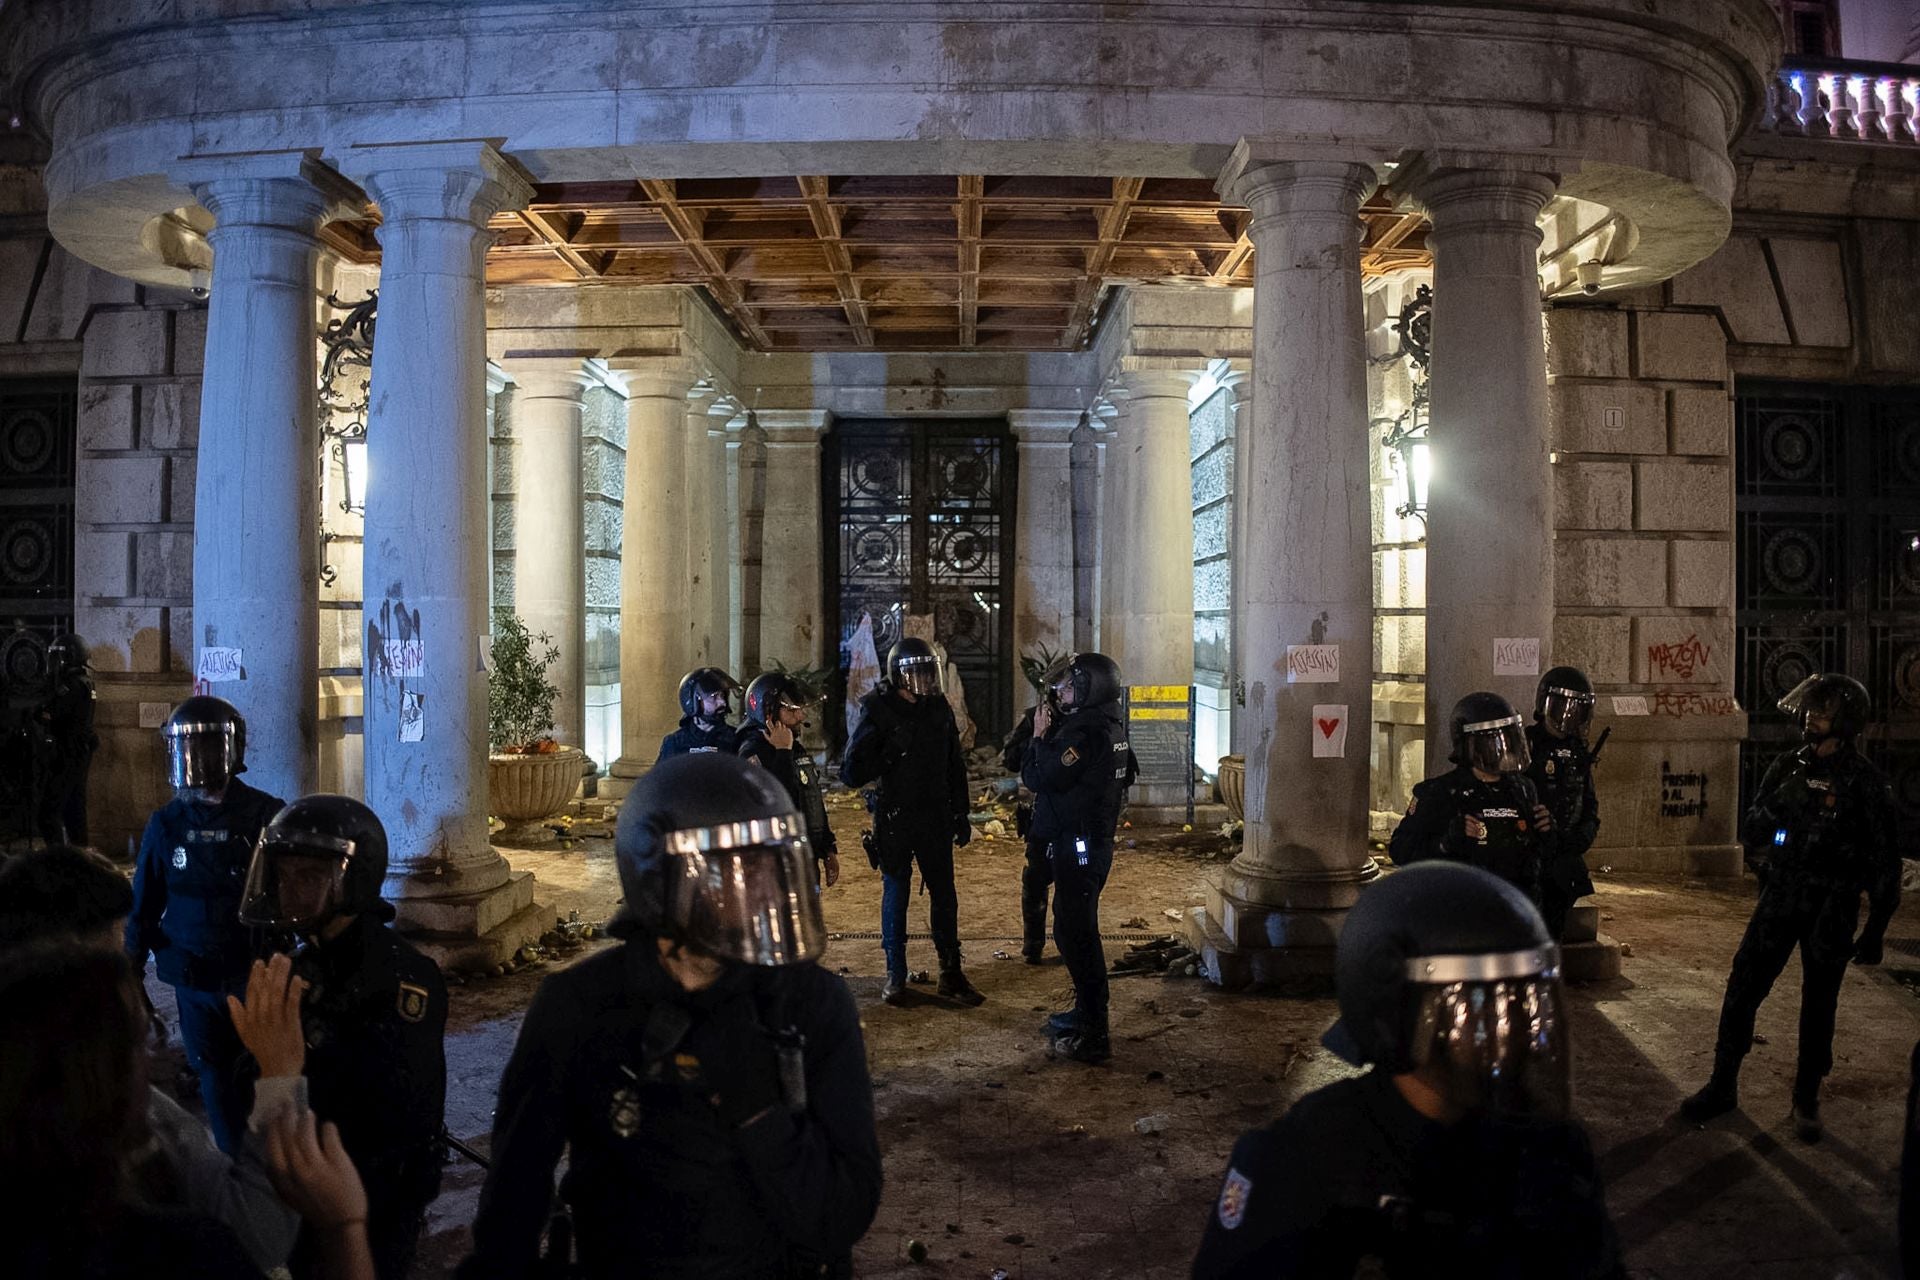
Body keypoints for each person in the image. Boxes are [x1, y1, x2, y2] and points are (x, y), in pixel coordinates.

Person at [458, 752, 884, 1280]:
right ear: (661, 882)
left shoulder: (810, 1004)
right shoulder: (581, 1007)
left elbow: (844, 1213)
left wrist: (759, 1113)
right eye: (737, 871)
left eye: (770, 867)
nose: (763, 892)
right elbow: (512, 1203)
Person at [1191, 861, 1623, 1279]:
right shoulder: (1304, 1162)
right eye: (1483, 1003)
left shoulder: (1552, 1149)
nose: (1517, 1027)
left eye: (1527, 999)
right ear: (1397, 1008)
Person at [0, 844, 305, 1273]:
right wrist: (279, 1075)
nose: (124, 954)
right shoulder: (134, 1126)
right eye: (116, 941)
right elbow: (256, 1233)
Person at [1679, 673, 1900, 1141]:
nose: (1808, 718)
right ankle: (1723, 1084)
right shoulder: (1786, 768)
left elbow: (1884, 862)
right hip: (1781, 895)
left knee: (1819, 1001)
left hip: (1832, 906)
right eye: (1809, 710)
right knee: (1744, 982)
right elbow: (1754, 830)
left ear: (1845, 721)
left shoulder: (1866, 785)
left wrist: (1877, 927)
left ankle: (1806, 1096)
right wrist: (1783, 803)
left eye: (1820, 712)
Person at [238, 794, 448, 1280]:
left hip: (371, 1194)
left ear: (353, 880)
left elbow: (396, 1113)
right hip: (301, 1178)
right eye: (284, 877)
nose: (289, 892)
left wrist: (297, 1058)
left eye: (308, 878)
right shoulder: (296, 962)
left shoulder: (401, 978)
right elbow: (248, 1080)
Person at [126, 695, 287, 1153]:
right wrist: (131, 966)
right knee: (212, 1071)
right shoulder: (167, 823)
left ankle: (271, 1168)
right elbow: (144, 903)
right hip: (194, 976)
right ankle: (234, 1163)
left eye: (206, 749)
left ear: (229, 752)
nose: (195, 763)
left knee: (261, 1069)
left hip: (249, 970)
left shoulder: (263, 814)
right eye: (186, 750)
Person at [841, 636, 980, 1007]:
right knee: (896, 895)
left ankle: (951, 973)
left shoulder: (938, 708)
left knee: (945, 897)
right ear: (899, 675)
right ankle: (895, 974)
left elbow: (954, 764)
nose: (923, 679)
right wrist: (888, 752)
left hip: (934, 817)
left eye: (927, 671)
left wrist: (961, 814)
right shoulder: (878, 709)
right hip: (896, 818)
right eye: (915, 671)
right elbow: (851, 772)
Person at [1023, 652, 1136, 1064]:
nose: (1060, 691)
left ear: (1091, 689)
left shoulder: (1086, 734)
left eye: (1070, 686)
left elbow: (1038, 777)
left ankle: (1095, 1031)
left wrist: (1038, 738)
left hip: (1081, 846)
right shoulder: (1105, 725)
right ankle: (1085, 1014)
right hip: (1085, 843)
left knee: (1078, 936)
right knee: (1073, 932)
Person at [1388, 691, 1555, 908]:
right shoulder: (1441, 792)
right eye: (1494, 743)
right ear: (1471, 745)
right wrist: (1447, 842)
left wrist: (1548, 832)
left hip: (1516, 909)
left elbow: (1536, 855)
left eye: (1510, 739)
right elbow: (1401, 851)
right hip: (1463, 912)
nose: (1505, 752)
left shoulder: (1523, 789)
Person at [739, 670, 841, 889]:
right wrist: (782, 753)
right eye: (792, 711)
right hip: (774, 866)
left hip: (804, 856)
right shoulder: (752, 751)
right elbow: (777, 799)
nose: (800, 717)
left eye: (801, 710)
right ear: (769, 712)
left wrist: (827, 848)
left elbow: (810, 798)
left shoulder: (795, 747)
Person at [1002, 653, 1071, 964]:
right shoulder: (1036, 717)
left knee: (1073, 885)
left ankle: (1070, 943)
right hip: (1043, 814)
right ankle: (1033, 943)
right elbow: (1011, 760)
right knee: (1035, 879)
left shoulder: (1085, 721)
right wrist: (1036, 736)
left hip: (1073, 814)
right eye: (1058, 688)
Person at [1524, 666, 1601, 940]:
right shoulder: (1527, 745)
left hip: (1564, 859)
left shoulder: (1579, 752)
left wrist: (1580, 838)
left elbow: (1589, 804)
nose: (1568, 717)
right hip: (1531, 858)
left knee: (1552, 933)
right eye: (1562, 708)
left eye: (1576, 710)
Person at [32, 632, 97, 847]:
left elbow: (49, 713)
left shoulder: (72, 686)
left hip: (68, 753)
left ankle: (58, 859)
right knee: (74, 811)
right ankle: (80, 859)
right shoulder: (86, 682)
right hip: (78, 751)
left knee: (48, 812)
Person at [658, 666, 744, 761]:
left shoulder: (737, 740)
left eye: (722, 695)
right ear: (694, 701)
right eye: (714, 697)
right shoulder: (675, 743)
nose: (722, 702)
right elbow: (660, 775)